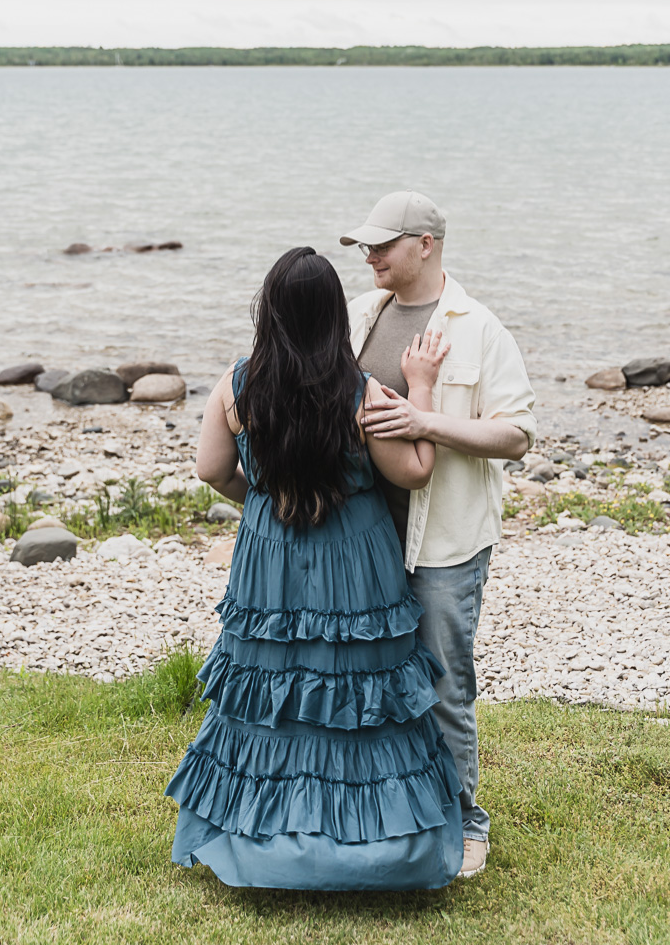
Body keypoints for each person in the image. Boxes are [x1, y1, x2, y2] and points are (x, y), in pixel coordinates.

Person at [165, 246, 465, 890]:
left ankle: (258, 836)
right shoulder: (362, 393)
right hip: (355, 557)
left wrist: (265, 502)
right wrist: (425, 387)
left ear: (268, 312)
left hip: (269, 554)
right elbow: (414, 470)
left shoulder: (238, 384)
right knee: (358, 691)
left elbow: (211, 469)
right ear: (334, 316)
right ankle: (378, 845)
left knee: (273, 688)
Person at [340, 191, 536, 879]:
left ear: (426, 243)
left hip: (446, 543)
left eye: (381, 246)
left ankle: (465, 823)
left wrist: (427, 424)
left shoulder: (479, 328)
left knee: (445, 682)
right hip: (364, 536)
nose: (369, 257)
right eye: (364, 246)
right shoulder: (363, 316)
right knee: (375, 680)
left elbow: (516, 434)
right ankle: (393, 813)